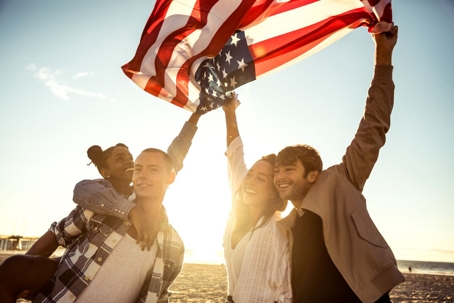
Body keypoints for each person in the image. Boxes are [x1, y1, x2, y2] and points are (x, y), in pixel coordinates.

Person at [0, 114, 200, 302]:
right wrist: (23, 276)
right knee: (13, 267)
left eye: (151, 169)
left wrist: (195, 116)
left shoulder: (174, 245)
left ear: (170, 177)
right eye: (137, 168)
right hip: (61, 294)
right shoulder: (98, 203)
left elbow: (172, 159)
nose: (140, 172)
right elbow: (64, 222)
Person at [274, 25, 402, 303]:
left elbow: (374, 124)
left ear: (312, 175)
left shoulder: (341, 179)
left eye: (288, 169)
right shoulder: (288, 223)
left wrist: (383, 55)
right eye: (277, 170)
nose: (279, 176)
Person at [222, 96, 292, 303]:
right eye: (250, 174)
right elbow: (235, 155)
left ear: (273, 191)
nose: (249, 181)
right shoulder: (238, 209)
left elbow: (286, 291)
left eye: (261, 178)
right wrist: (229, 112)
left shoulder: (275, 230)